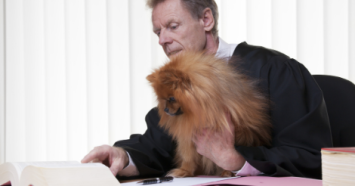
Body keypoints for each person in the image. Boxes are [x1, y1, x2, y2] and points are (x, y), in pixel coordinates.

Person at [81, 0, 332, 179]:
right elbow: (156, 145)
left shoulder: (274, 70)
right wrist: (122, 155)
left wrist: (235, 159)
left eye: (172, 26)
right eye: (158, 31)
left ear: (206, 19)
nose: (162, 40)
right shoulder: (175, 85)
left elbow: (309, 156)